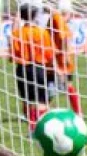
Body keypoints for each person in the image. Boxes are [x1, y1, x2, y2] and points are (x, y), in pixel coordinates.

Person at [10, 2, 54, 132]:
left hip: (22, 69)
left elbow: (13, 53)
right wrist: (51, 68)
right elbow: (49, 53)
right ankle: (43, 128)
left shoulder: (17, 34)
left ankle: (32, 128)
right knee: (42, 100)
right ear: (35, 15)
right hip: (38, 68)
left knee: (28, 100)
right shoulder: (42, 33)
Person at [47, 0, 80, 115]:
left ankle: (77, 112)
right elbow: (64, 38)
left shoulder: (57, 20)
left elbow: (65, 38)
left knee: (56, 85)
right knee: (54, 86)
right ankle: (78, 112)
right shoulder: (58, 19)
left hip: (57, 59)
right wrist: (65, 55)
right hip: (57, 59)